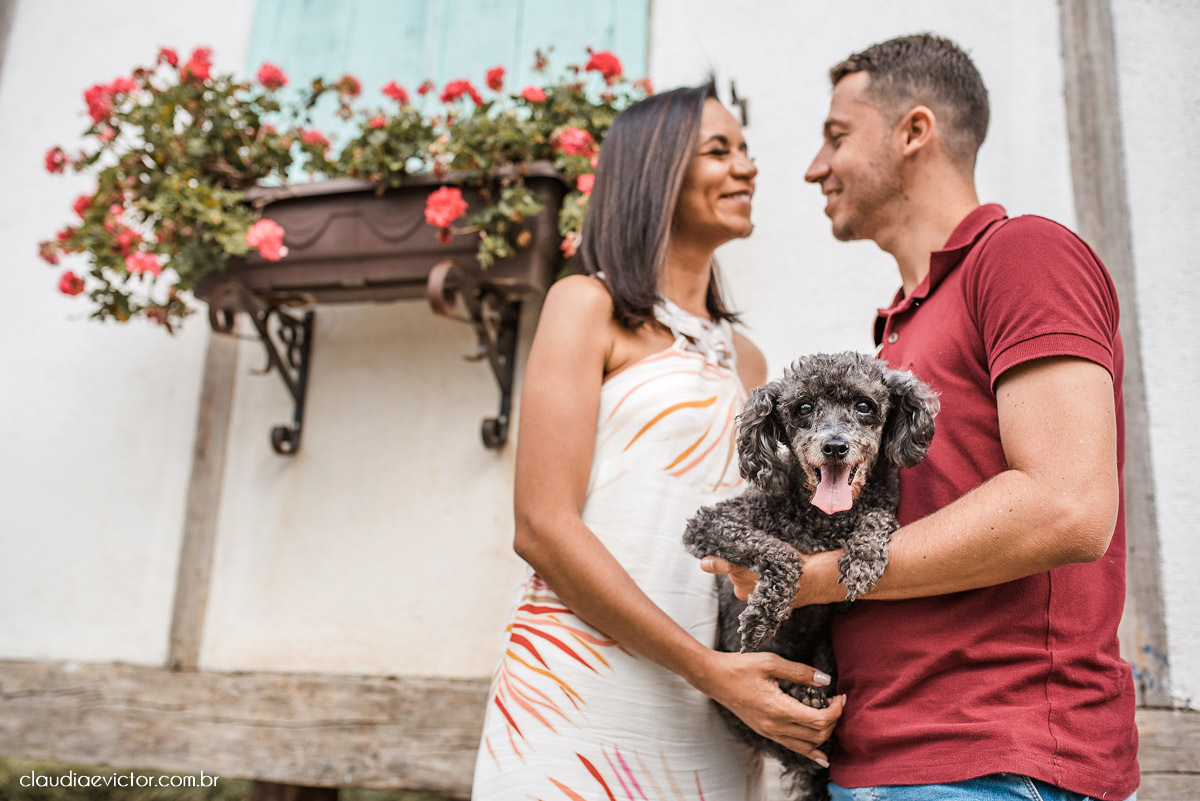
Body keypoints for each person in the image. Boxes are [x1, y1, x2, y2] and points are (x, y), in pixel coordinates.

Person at [704, 34, 1138, 801]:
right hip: (879, 764)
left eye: (837, 137)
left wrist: (806, 580)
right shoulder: (894, 338)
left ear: (914, 133)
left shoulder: (1023, 255)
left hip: (993, 763)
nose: (813, 167)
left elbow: (1067, 505)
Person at [470, 83, 842, 800]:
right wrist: (708, 670)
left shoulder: (751, 363)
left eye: (746, 150)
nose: (748, 167)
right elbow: (543, 526)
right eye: (719, 150)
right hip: (575, 694)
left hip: (714, 714)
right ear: (656, 172)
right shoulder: (587, 306)